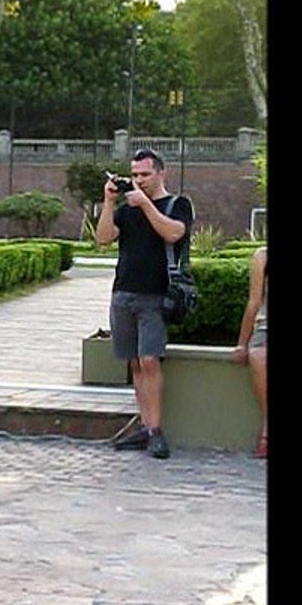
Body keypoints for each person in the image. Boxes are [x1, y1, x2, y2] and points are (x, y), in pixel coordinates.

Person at [95, 148, 193, 459]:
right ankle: (146, 426)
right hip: (123, 293)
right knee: (135, 363)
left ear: (161, 173)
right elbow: (103, 238)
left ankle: (155, 430)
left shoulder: (178, 205)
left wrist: (147, 205)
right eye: (134, 175)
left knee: (150, 359)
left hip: (156, 296)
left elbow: (174, 233)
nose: (139, 180)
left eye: (145, 175)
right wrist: (110, 202)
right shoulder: (128, 208)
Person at [231, 246, 267, 459]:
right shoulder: (262, 256)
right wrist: (242, 344)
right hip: (265, 327)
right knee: (257, 355)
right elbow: (254, 302)